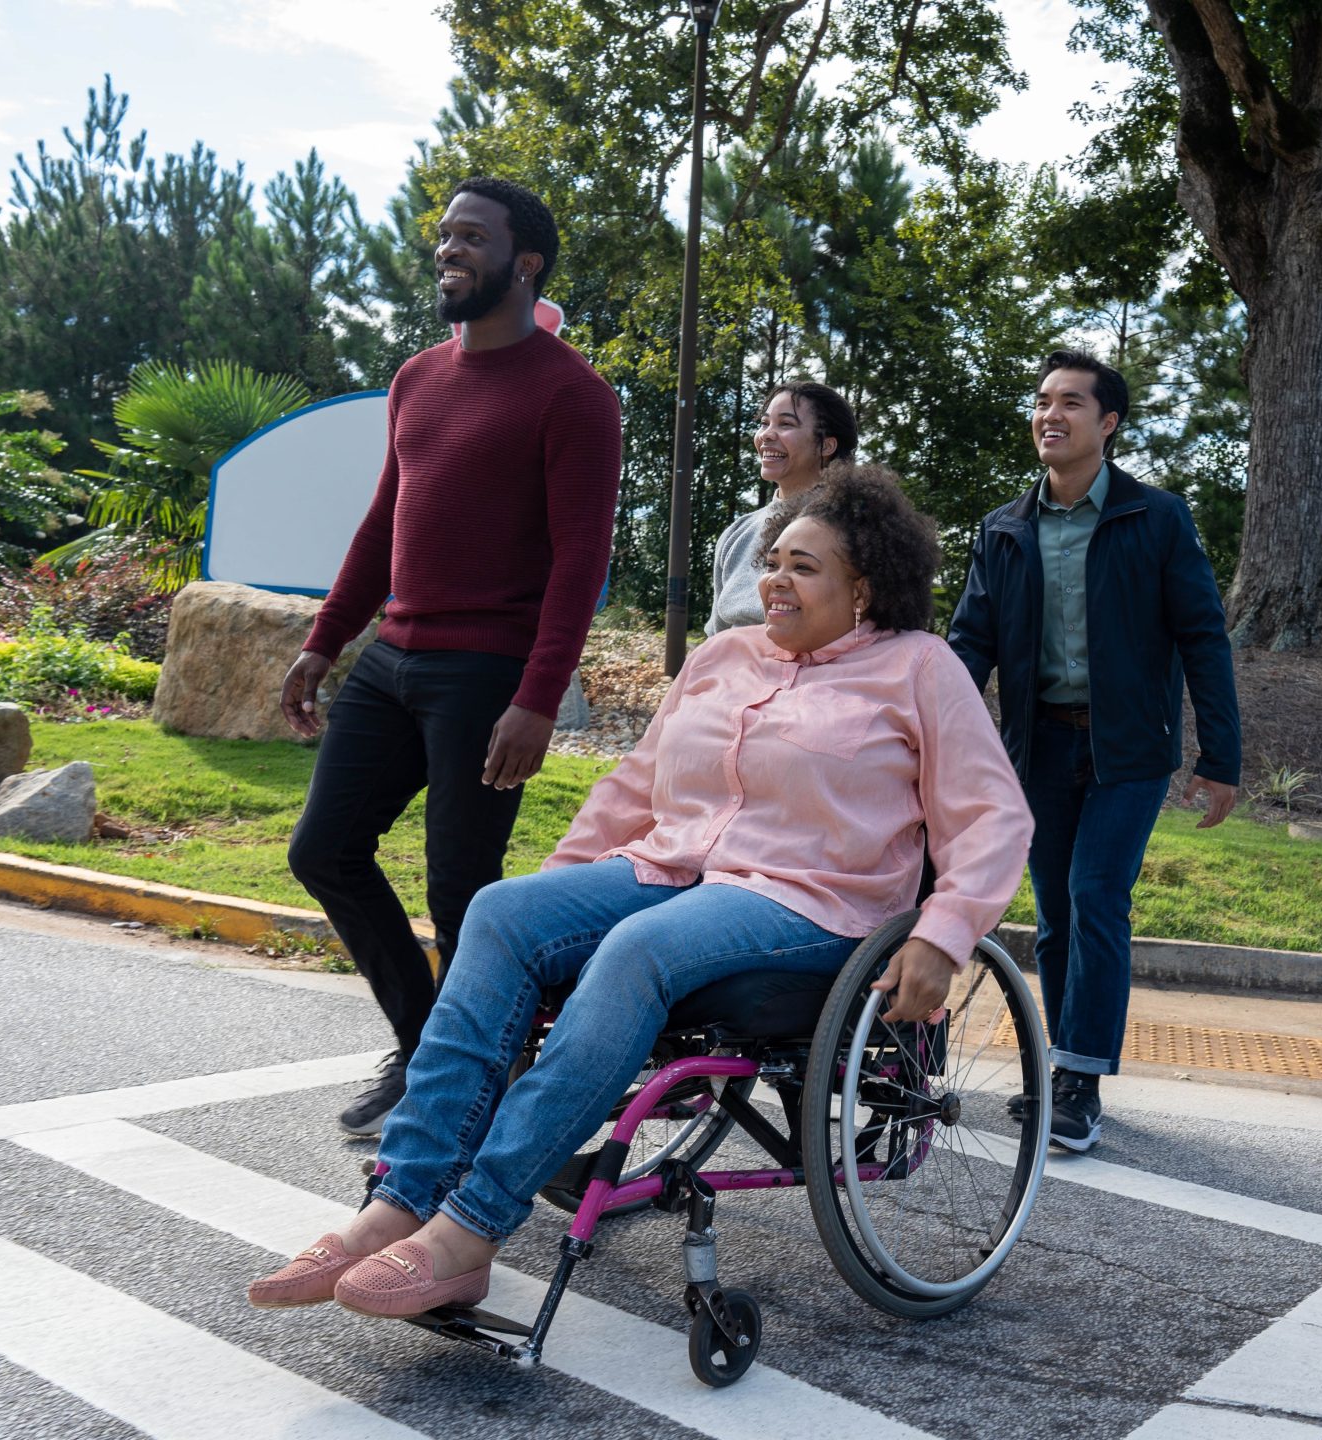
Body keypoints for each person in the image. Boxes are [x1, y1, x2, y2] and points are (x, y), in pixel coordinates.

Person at [247, 467, 1032, 1319]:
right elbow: (632, 788)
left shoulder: (918, 667)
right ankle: (397, 1202)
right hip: (670, 869)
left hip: (814, 902)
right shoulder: (724, 658)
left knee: (637, 951)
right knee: (500, 913)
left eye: (803, 568)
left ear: (865, 590)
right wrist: (554, 901)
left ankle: (470, 1229)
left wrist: (944, 933)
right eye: (773, 562)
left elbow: (992, 816)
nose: (775, 580)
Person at [281, 177, 624, 1138]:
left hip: (486, 673)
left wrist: (539, 697)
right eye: (444, 235)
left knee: (460, 890)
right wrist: (324, 641)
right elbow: (382, 521)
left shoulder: (575, 395)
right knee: (323, 850)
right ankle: (430, 1047)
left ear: (526, 262)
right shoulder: (417, 378)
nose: (449, 249)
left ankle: (470, 1085)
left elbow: (581, 560)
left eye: (472, 236)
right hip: (392, 657)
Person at [946, 349, 1241, 1153]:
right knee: (1054, 916)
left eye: (1070, 402)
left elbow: (1203, 637)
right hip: (1037, 748)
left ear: (1107, 423)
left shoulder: (1157, 518)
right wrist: (927, 733)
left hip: (1128, 751)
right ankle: (1061, 1065)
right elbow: (970, 643)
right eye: (1043, 400)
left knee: (1096, 897)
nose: (1050, 414)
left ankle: (1079, 1084)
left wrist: (1221, 756)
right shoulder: (1005, 528)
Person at [705, 382, 858, 634]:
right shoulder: (737, 533)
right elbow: (716, 635)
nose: (766, 435)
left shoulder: (857, 528)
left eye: (786, 424)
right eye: (764, 423)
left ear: (826, 446)